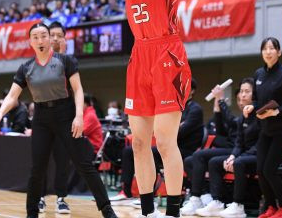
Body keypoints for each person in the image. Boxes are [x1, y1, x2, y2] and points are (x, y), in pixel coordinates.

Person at [73, 0, 192, 218]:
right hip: (140, 55)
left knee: (165, 141)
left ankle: (173, 211)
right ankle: (147, 211)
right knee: (139, 142)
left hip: (167, 53)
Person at [0, 23, 117, 218]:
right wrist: (0, 113)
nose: (40, 40)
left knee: (83, 164)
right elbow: (12, 96)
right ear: (30, 42)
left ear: (50, 38)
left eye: (44, 36)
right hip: (41, 117)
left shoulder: (65, 61)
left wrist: (79, 116)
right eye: (35, 37)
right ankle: (31, 213)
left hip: (65, 114)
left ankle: (107, 210)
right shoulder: (26, 67)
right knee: (37, 168)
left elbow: (78, 90)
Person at [111, 80, 203, 206]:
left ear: (192, 91)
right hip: (167, 146)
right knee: (129, 151)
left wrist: (168, 127)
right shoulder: (173, 106)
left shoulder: (195, 109)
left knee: (151, 154)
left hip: (184, 150)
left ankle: (149, 198)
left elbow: (179, 132)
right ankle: (126, 192)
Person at [243, 37, 282, 218]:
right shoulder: (258, 74)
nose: (268, 52)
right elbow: (257, 100)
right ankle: (271, 207)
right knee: (260, 170)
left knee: (269, 169)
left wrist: (276, 112)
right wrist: (252, 106)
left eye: (272, 48)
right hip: (266, 130)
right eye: (265, 48)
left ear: (278, 52)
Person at [181, 81, 249, 216]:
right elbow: (221, 131)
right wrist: (217, 106)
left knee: (200, 156)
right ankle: (204, 195)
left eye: (245, 93)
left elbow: (231, 122)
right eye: (239, 98)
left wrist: (221, 100)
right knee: (189, 161)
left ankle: (197, 197)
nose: (241, 99)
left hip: (239, 151)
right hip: (230, 148)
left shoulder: (249, 116)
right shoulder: (240, 117)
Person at [195, 79, 259, 218]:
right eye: (241, 92)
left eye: (247, 91)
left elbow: (258, 145)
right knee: (214, 162)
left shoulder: (260, 114)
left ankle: (238, 204)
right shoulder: (243, 118)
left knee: (238, 162)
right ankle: (216, 201)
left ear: (255, 94)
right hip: (241, 154)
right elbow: (239, 144)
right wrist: (232, 156)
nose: (242, 95)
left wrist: (221, 101)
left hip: (257, 156)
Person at [48, 20, 74, 214]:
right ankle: (40, 197)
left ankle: (61, 199)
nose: (56, 38)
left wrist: (63, 56)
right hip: (44, 117)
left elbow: (73, 88)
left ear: (65, 39)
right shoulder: (40, 60)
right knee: (41, 161)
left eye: (59, 35)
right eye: (52, 35)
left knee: (62, 161)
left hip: (65, 117)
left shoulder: (70, 62)